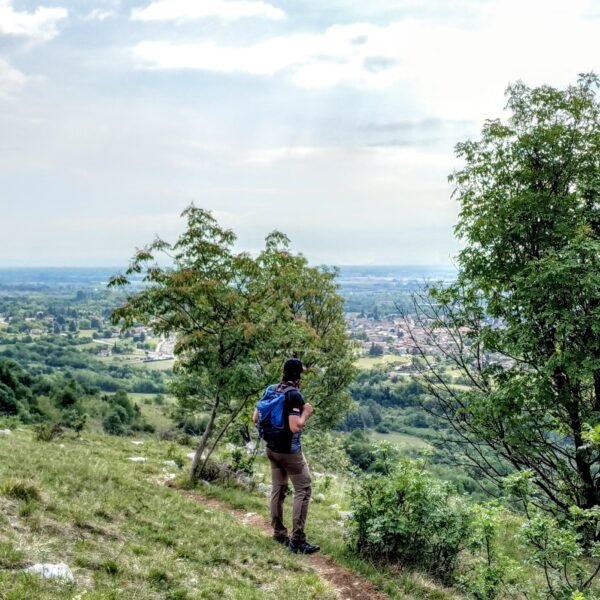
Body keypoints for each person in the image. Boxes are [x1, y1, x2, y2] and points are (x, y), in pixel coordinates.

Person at [253, 358, 320, 554]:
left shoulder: (271, 389)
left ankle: (278, 532)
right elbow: (294, 426)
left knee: (278, 489)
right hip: (290, 452)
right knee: (304, 490)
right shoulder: (294, 396)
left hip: (271, 449)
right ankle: (298, 540)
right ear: (298, 374)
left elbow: (255, 418)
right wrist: (306, 413)